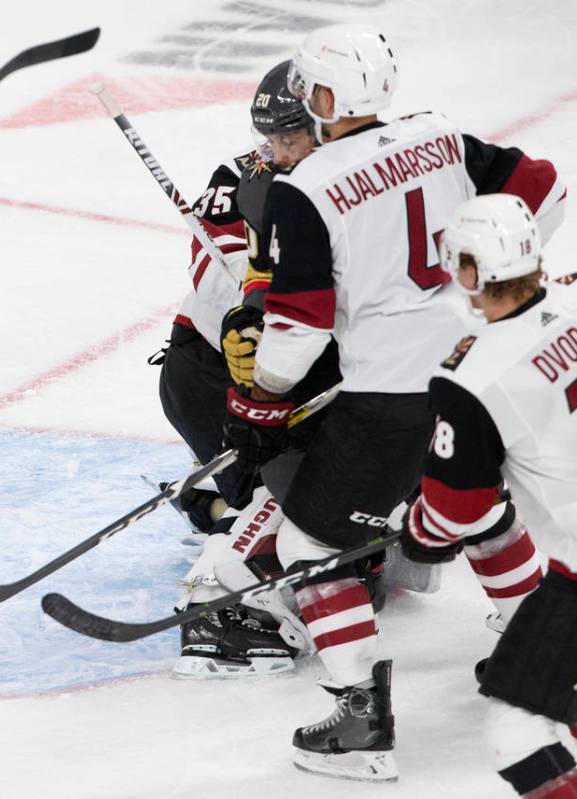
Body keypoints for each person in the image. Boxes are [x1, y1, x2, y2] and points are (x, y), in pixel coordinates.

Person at [222, 24, 564, 781]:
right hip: (473, 372)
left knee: (307, 547)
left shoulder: (302, 188)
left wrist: (260, 397)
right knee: (475, 503)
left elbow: (298, 325)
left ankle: (359, 722)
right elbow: (543, 186)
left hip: (388, 402)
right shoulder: (438, 135)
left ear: (320, 97)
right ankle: (535, 651)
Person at [161, 61, 345, 679]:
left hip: (299, 372)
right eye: (270, 134)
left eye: (292, 133)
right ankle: (219, 583)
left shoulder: (354, 170)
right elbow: (213, 275)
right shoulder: (244, 176)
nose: (278, 149)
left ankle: (218, 505)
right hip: (213, 378)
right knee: (302, 485)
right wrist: (256, 302)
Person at [395, 194, 575, 797]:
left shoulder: (469, 375)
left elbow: (457, 508)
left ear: (469, 269)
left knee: (516, 732)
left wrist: (419, 534)